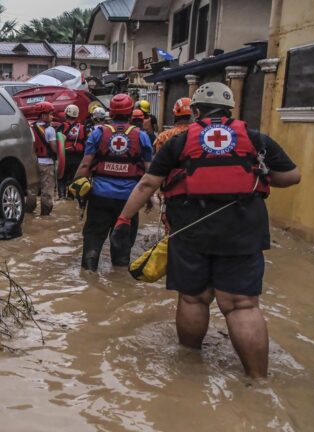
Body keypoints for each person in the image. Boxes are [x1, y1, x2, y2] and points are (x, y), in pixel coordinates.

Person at [111, 82, 300, 378]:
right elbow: (292, 176)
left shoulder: (179, 141)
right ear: (229, 110)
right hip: (243, 229)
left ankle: (189, 370)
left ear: (196, 111)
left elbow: (148, 183)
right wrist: (257, 176)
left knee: (192, 298)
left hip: (190, 229)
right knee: (242, 306)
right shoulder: (254, 138)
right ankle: (258, 382)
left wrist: (123, 219)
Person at [72, 93, 153, 270]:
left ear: (111, 113)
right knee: (123, 247)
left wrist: (77, 190)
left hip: (99, 196)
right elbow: (149, 171)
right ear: (130, 113)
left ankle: (89, 274)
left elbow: (85, 164)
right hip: (129, 201)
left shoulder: (98, 133)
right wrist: (149, 198)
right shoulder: (142, 136)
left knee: (93, 239)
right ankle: (119, 282)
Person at [31, 101, 58, 216]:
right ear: (43, 115)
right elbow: (54, 148)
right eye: (50, 114)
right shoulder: (50, 130)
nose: (52, 116)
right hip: (46, 164)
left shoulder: (30, 127)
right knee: (47, 190)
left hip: (32, 163)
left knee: (31, 189)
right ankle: (45, 216)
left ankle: (29, 213)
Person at [57, 104, 86, 199]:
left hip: (65, 157)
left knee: (61, 178)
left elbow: (57, 141)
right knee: (73, 178)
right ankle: (71, 197)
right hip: (78, 158)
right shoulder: (82, 127)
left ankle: (61, 197)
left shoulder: (62, 126)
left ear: (66, 114)